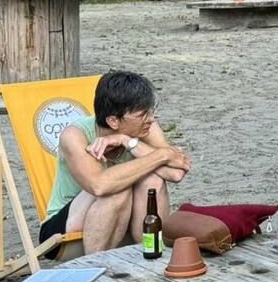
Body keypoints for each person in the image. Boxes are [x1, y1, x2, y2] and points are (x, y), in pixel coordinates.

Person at [39, 70, 191, 257]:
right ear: (113, 121)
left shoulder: (145, 128)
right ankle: (96, 266)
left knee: (153, 181)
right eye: (143, 114)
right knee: (117, 189)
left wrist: (127, 141)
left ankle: (152, 253)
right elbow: (99, 186)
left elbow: (176, 173)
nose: (151, 119)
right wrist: (163, 155)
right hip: (65, 232)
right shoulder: (74, 136)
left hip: (122, 223)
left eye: (150, 111)